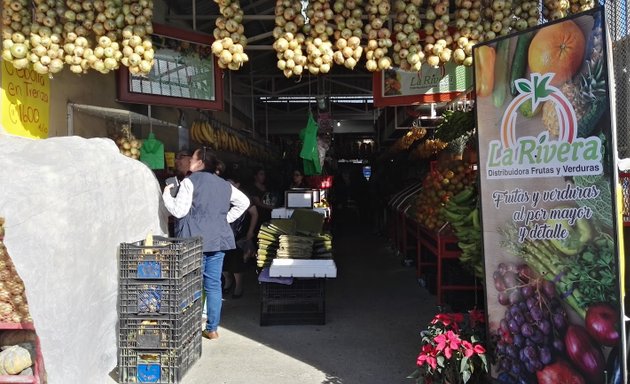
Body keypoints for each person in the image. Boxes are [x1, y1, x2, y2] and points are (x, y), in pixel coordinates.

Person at [162, 147, 250, 340]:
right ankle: (212, 329)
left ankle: (189, 326)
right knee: (213, 284)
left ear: (200, 162)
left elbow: (179, 211)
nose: (190, 161)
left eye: (192, 158)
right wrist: (225, 219)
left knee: (191, 282)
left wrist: (167, 195)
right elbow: (244, 202)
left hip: (194, 240)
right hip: (217, 240)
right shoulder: (225, 185)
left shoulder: (189, 182)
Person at [222, 171, 258, 299]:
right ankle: (228, 282)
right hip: (223, 235)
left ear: (237, 184)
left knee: (237, 262)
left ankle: (238, 286)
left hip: (239, 235)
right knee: (223, 262)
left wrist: (250, 231)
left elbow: (254, 214)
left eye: (231, 183)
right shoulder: (221, 195)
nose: (228, 185)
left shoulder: (243, 197)